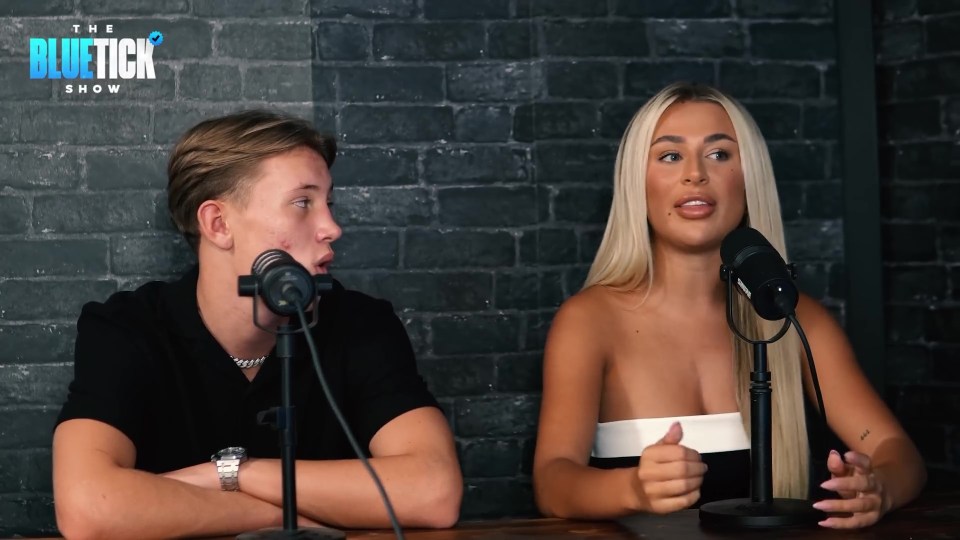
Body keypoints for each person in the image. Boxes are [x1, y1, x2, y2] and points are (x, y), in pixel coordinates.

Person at [532, 82, 926, 529]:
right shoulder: (589, 321)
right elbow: (552, 482)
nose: (695, 174)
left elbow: (896, 449)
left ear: (748, 176)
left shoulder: (797, 319)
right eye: (669, 155)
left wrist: (880, 490)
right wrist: (632, 489)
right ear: (635, 183)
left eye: (719, 154)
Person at [52, 110, 462, 539]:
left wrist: (234, 475)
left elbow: (433, 492)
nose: (332, 228)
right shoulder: (127, 329)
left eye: (329, 203)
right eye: (303, 203)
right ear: (218, 223)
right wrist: (284, 518)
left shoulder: (360, 324)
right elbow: (89, 508)